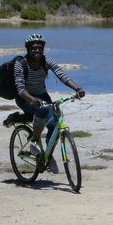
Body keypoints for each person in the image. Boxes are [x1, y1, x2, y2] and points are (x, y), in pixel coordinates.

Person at [13, 32, 86, 170]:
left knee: (54, 124)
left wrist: (78, 89)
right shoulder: (20, 64)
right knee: (42, 110)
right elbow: (20, 89)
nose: (37, 50)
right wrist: (32, 100)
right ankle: (34, 142)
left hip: (42, 95)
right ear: (28, 49)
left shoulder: (47, 61)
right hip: (25, 98)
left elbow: (61, 75)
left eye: (40, 48)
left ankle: (48, 155)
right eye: (33, 48)